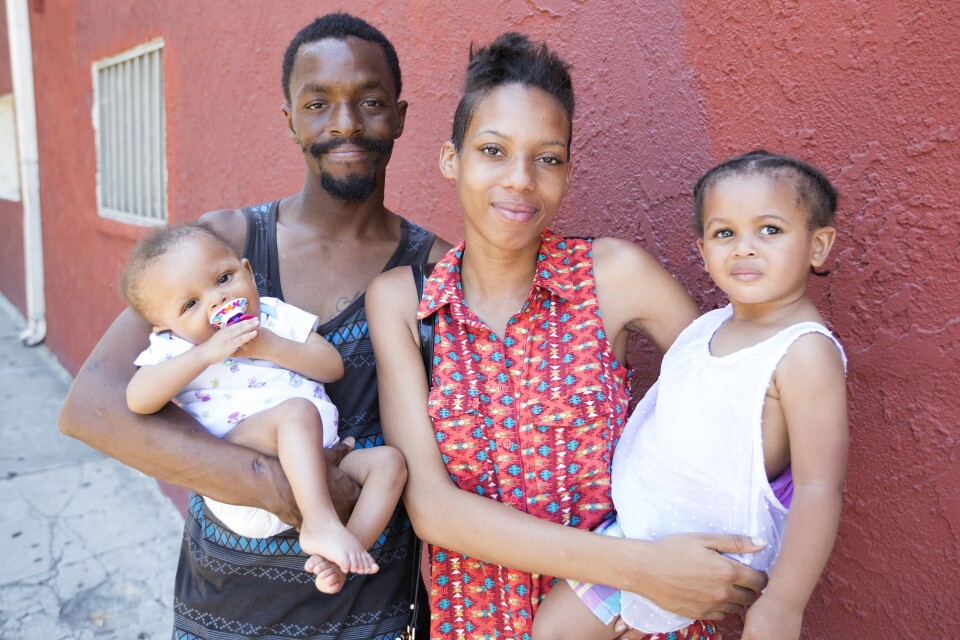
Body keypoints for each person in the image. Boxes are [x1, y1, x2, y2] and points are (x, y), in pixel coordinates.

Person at [58, 13, 449, 639]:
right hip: (227, 608)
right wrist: (277, 486)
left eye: (370, 102)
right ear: (289, 119)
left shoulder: (433, 270)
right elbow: (94, 408)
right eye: (318, 104)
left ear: (400, 117)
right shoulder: (225, 245)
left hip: (366, 609)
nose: (345, 123)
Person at [367, 32, 769, 640]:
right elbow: (433, 509)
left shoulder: (614, 277)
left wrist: (663, 589)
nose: (521, 179)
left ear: (567, 172)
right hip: (488, 623)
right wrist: (640, 571)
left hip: (632, 626)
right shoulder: (405, 302)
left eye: (547, 158)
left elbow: (733, 416)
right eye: (494, 151)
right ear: (452, 159)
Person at [533, 150, 849, 640]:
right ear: (703, 251)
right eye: (725, 233)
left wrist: (783, 604)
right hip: (640, 532)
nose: (744, 248)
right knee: (552, 629)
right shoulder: (709, 327)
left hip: (705, 555)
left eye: (770, 230)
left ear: (818, 245)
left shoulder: (803, 352)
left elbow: (817, 487)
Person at [122, 220, 408, 593]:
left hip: (320, 461)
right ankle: (319, 524)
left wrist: (271, 346)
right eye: (191, 304)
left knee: (390, 463)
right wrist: (205, 355)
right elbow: (138, 398)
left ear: (249, 272)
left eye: (224, 278)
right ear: (163, 326)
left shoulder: (275, 316)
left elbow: (331, 366)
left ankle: (340, 554)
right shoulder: (177, 348)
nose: (217, 300)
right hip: (243, 465)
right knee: (296, 411)